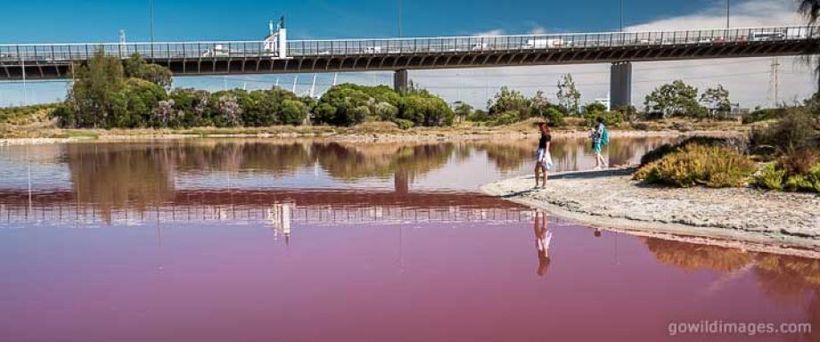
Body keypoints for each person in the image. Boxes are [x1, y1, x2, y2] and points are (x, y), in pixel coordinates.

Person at [534, 122, 553, 188]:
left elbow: (547, 146)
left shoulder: (547, 135)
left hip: (543, 152)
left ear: (544, 127)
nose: (540, 128)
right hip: (540, 151)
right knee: (537, 169)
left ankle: (543, 185)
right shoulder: (543, 134)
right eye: (540, 127)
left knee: (544, 169)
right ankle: (537, 184)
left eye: (541, 127)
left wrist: (545, 155)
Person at [533, 211, 552, 277]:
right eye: (539, 270)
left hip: (541, 246)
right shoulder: (544, 262)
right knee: (541, 230)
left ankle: (541, 213)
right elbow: (546, 253)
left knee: (538, 229)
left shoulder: (542, 263)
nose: (538, 268)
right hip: (543, 246)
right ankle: (541, 213)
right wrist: (542, 243)